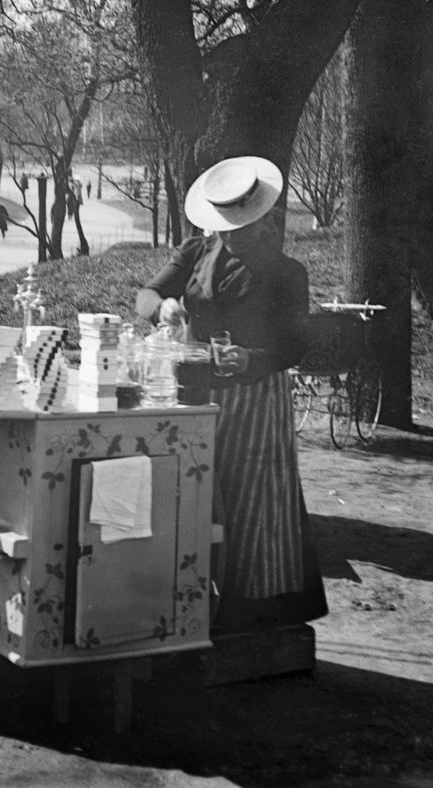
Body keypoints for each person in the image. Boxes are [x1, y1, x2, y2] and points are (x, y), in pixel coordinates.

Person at [135, 155, 327, 634]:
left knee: (251, 499)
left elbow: (295, 346)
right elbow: (147, 295)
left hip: (256, 394)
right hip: (196, 387)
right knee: (197, 491)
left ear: (263, 219)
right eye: (227, 225)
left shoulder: (287, 273)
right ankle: (192, 597)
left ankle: (255, 607)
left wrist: (249, 358)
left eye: (243, 225)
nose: (234, 234)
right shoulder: (195, 252)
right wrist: (165, 308)